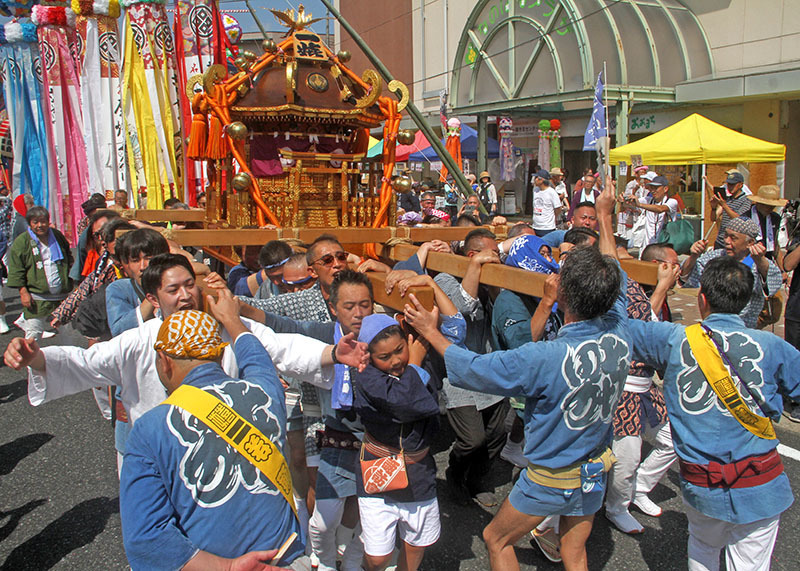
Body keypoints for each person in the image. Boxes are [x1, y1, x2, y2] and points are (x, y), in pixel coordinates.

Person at [405, 180, 631, 570]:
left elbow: (473, 368)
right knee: (575, 551)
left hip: (553, 475)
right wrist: (606, 218)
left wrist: (430, 333)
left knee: (496, 537)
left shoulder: (544, 356)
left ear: (561, 295)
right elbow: (616, 276)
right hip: (597, 465)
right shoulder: (618, 329)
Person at [628, 256, 800, 570]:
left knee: (703, 548)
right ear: (747, 300)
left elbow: (626, 329)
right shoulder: (774, 347)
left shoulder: (673, 340)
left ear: (702, 299)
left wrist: (662, 286)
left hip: (701, 483)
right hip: (761, 483)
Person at [120, 301, 306, 570]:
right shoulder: (265, 393)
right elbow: (257, 359)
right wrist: (232, 319)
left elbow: (147, 539)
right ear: (220, 356)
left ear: (164, 361)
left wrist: (228, 567)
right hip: (286, 559)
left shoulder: (149, 429)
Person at [353, 312, 462, 571]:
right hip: (377, 471)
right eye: (384, 357)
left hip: (418, 473)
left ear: (407, 340)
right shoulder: (365, 375)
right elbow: (403, 401)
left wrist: (429, 313)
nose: (395, 361)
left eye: (399, 350)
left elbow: (457, 330)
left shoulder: (419, 354)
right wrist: (414, 364)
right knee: (378, 557)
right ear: (369, 357)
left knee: (414, 548)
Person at [604, 262, 680, 535]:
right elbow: (641, 327)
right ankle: (616, 507)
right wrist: (661, 287)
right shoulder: (621, 288)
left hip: (646, 387)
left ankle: (640, 487)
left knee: (674, 439)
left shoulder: (648, 292)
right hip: (623, 389)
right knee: (626, 459)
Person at [680, 217, 782, 329]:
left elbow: (774, 285)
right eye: (725, 236)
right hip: (714, 325)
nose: (727, 242)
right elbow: (685, 278)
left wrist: (760, 261)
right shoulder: (715, 256)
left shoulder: (758, 263)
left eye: (733, 238)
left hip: (744, 326)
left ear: (750, 242)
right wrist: (693, 256)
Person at [7, 206, 73, 339]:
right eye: (35, 222)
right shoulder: (22, 242)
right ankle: (30, 360)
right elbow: (16, 269)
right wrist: (23, 292)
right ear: (30, 223)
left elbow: (68, 257)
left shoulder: (57, 236)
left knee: (68, 333)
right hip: (37, 297)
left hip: (61, 295)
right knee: (33, 334)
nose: (40, 225)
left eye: (43, 221)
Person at [621, 175, 678, 248]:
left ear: (665, 189)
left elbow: (660, 209)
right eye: (652, 188)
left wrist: (640, 205)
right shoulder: (648, 200)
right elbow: (630, 204)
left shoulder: (672, 202)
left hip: (663, 245)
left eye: (656, 188)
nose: (653, 190)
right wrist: (624, 200)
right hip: (647, 246)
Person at [742, 185, 786, 265]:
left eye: (772, 206)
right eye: (767, 205)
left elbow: (775, 244)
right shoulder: (746, 218)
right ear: (759, 203)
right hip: (749, 259)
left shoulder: (775, 218)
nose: (770, 208)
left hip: (768, 260)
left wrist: (782, 270)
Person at [707, 171, 752, 250]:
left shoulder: (746, 200)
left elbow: (739, 219)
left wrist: (724, 205)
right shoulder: (727, 199)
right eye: (728, 184)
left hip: (734, 243)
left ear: (740, 185)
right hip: (720, 241)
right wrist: (713, 208)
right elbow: (714, 218)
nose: (729, 187)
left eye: (732, 185)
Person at [531, 169, 561, 236]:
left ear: (541, 180)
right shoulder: (535, 190)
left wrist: (554, 217)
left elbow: (558, 208)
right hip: (535, 226)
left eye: (536, 178)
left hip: (547, 228)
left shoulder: (551, 192)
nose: (534, 180)